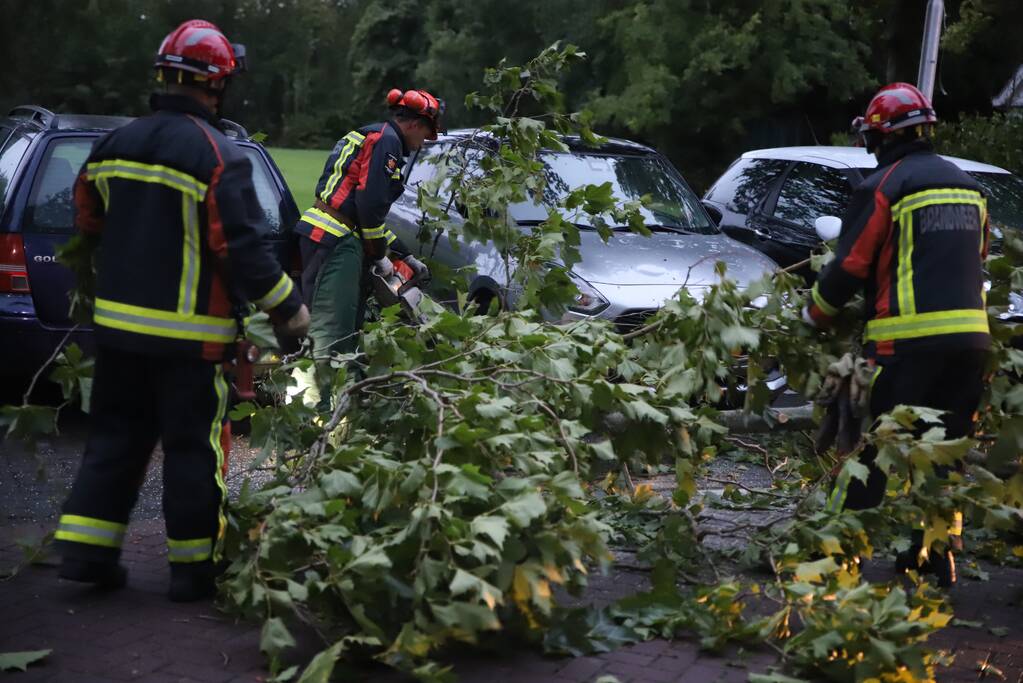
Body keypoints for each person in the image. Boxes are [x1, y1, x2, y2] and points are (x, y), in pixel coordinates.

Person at [55, 19, 309, 602]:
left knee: (114, 441)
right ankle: (193, 572)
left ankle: (87, 557)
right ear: (216, 85)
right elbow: (242, 249)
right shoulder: (216, 154)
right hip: (189, 345)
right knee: (192, 448)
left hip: (117, 335)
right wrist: (289, 311)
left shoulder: (113, 146)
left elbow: (87, 222)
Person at [803, 82, 990, 587]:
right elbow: (974, 264)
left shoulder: (885, 186)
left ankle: (837, 557)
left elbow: (849, 266)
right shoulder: (969, 188)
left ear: (879, 137)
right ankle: (932, 559)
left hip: (904, 349)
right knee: (942, 458)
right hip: (970, 347)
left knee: (871, 452)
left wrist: (813, 316)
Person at [294, 89, 437, 370]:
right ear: (414, 124)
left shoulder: (375, 135)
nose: (422, 143)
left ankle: (331, 395)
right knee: (332, 333)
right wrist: (380, 257)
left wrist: (404, 256)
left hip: (327, 233)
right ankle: (319, 407)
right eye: (425, 134)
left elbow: (364, 217)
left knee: (330, 328)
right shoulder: (388, 142)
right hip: (336, 242)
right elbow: (369, 208)